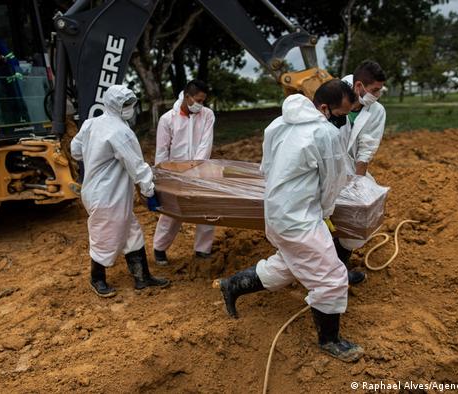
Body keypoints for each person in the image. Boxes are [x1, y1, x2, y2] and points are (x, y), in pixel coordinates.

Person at [218, 80, 364, 362]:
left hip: (276, 211)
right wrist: (325, 212)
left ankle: (232, 285)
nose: (344, 120)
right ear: (324, 108)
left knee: (289, 264)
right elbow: (332, 181)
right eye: (343, 114)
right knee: (332, 277)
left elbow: (266, 167)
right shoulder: (324, 133)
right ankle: (329, 340)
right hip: (300, 217)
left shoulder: (277, 124)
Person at [71, 85, 169, 298]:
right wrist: (149, 190)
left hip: (98, 191)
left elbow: (75, 151)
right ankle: (97, 279)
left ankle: (142, 276)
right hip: (108, 195)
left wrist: (94, 156)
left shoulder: (91, 123)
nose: (130, 108)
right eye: (126, 105)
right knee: (104, 235)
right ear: (115, 105)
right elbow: (137, 166)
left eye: (131, 104)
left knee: (131, 230)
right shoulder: (121, 132)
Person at [335, 61, 387, 283]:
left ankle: (338, 270)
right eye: (374, 90)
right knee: (321, 217)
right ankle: (327, 274)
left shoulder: (377, 111)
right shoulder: (335, 94)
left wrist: (356, 185)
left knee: (352, 216)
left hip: (350, 169)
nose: (378, 94)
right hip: (324, 166)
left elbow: (366, 150)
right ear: (358, 86)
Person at [152, 80, 215, 265]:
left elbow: (205, 143)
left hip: (201, 171)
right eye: (198, 100)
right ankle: (159, 249)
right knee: (171, 212)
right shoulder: (167, 119)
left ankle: (203, 250)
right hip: (175, 175)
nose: (200, 104)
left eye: (203, 101)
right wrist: (161, 175)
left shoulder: (207, 115)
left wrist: (196, 168)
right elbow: (162, 150)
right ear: (187, 97)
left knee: (207, 210)